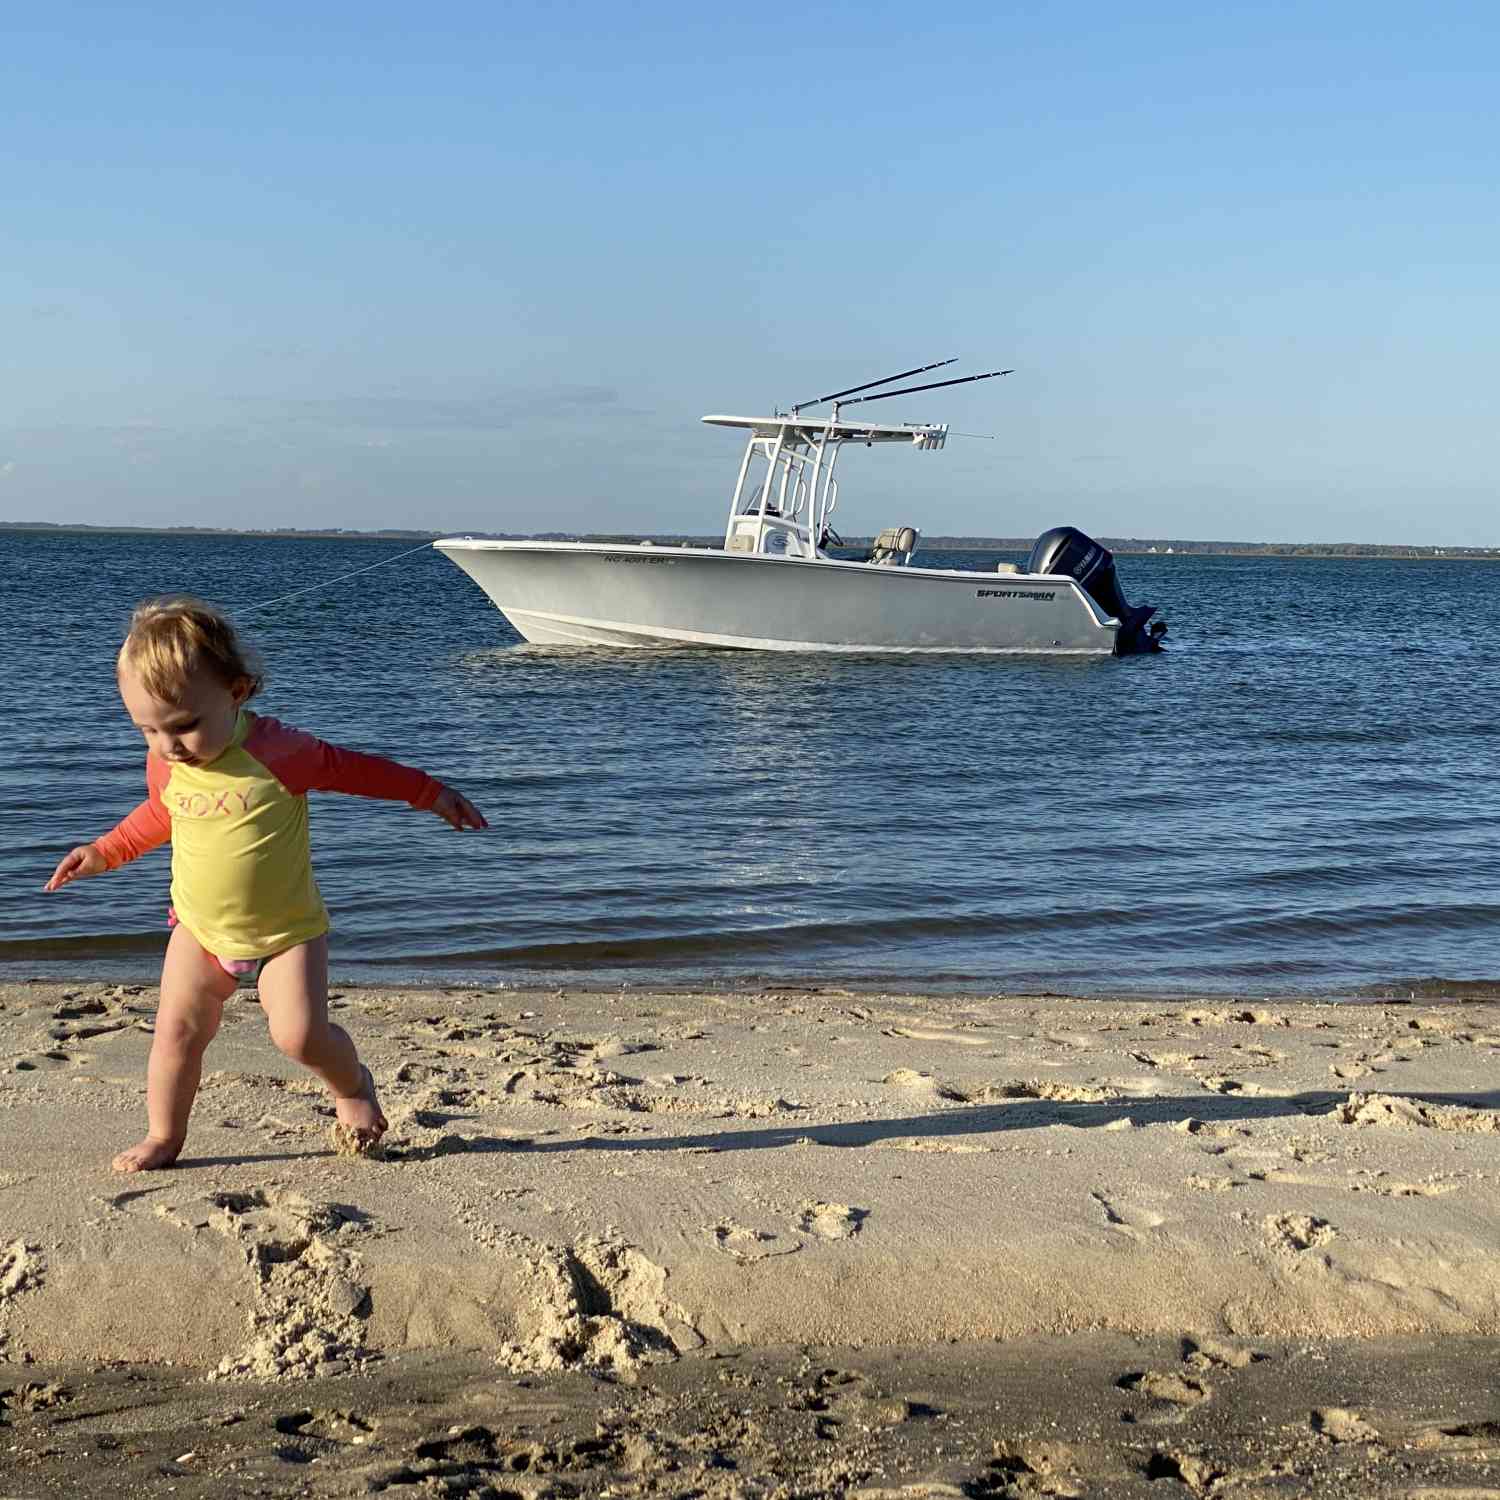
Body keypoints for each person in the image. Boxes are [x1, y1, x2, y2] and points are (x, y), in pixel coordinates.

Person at [43, 595, 487, 1173]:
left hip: (286, 933)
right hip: (199, 930)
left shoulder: (282, 753)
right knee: (175, 1033)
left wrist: (429, 793)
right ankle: (163, 1135)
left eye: (183, 726)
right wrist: (103, 852)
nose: (167, 745)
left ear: (236, 691)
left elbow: (358, 770)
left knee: (300, 1036)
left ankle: (352, 1087)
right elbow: (161, 814)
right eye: (147, 730)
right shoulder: (168, 762)